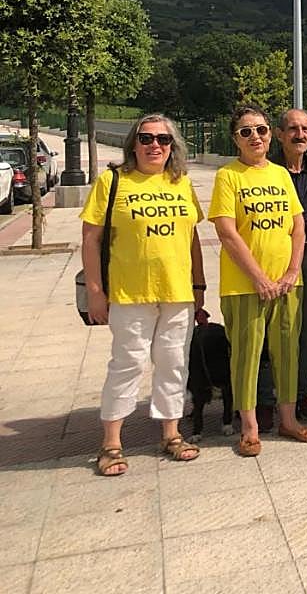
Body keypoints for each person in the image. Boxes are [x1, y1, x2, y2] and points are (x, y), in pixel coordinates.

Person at [82, 114, 206, 476]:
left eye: (164, 140)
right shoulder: (113, 182)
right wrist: (95, 291)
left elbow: (192, 239)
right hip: (129, 293)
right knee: (128, 364)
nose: (156, 146)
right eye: (147, 138)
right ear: (133, 143)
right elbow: (92, 239)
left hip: (177, 292)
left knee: (173, 364)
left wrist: (198, 286)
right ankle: (111, 444)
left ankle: (171, 433)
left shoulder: (180, 182)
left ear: (173, 146)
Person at [209, 105, 307, 457]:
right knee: (247, 356)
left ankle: (288, 420)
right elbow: (227, 232)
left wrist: (291, 272)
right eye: (246, 132)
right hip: (245, 286)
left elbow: (298, 226)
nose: (255, 137)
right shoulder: (228, 176)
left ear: (270, 134)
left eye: (260, 130)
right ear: (235, 139)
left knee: (287, 353)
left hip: (288, 284)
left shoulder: (279, 174)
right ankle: (250, 427)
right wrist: (259, 277)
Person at [256, 108, 307, 423]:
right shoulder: (267, 170)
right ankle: (264, 399)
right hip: (275, 257)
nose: (300, 135)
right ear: (279, 133)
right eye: (293, 129)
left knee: (305, 331)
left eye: (306, 130)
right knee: (269, 331)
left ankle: (301, 395)